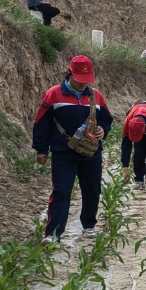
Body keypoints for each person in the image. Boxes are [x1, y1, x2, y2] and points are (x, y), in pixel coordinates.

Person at [32, 56, 112, 244]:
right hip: (63, 152)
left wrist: (103, 129)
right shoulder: (53, 94)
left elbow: (106, 119)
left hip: (91, 153)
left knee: (92, 189)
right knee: (61, 191)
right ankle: (53, 234)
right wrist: (41, 149)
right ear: (70, 74)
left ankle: (89, 225)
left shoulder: (96, 96)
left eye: (87, 80)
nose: (84, 84)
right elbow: (41, 122)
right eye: (80, 79)